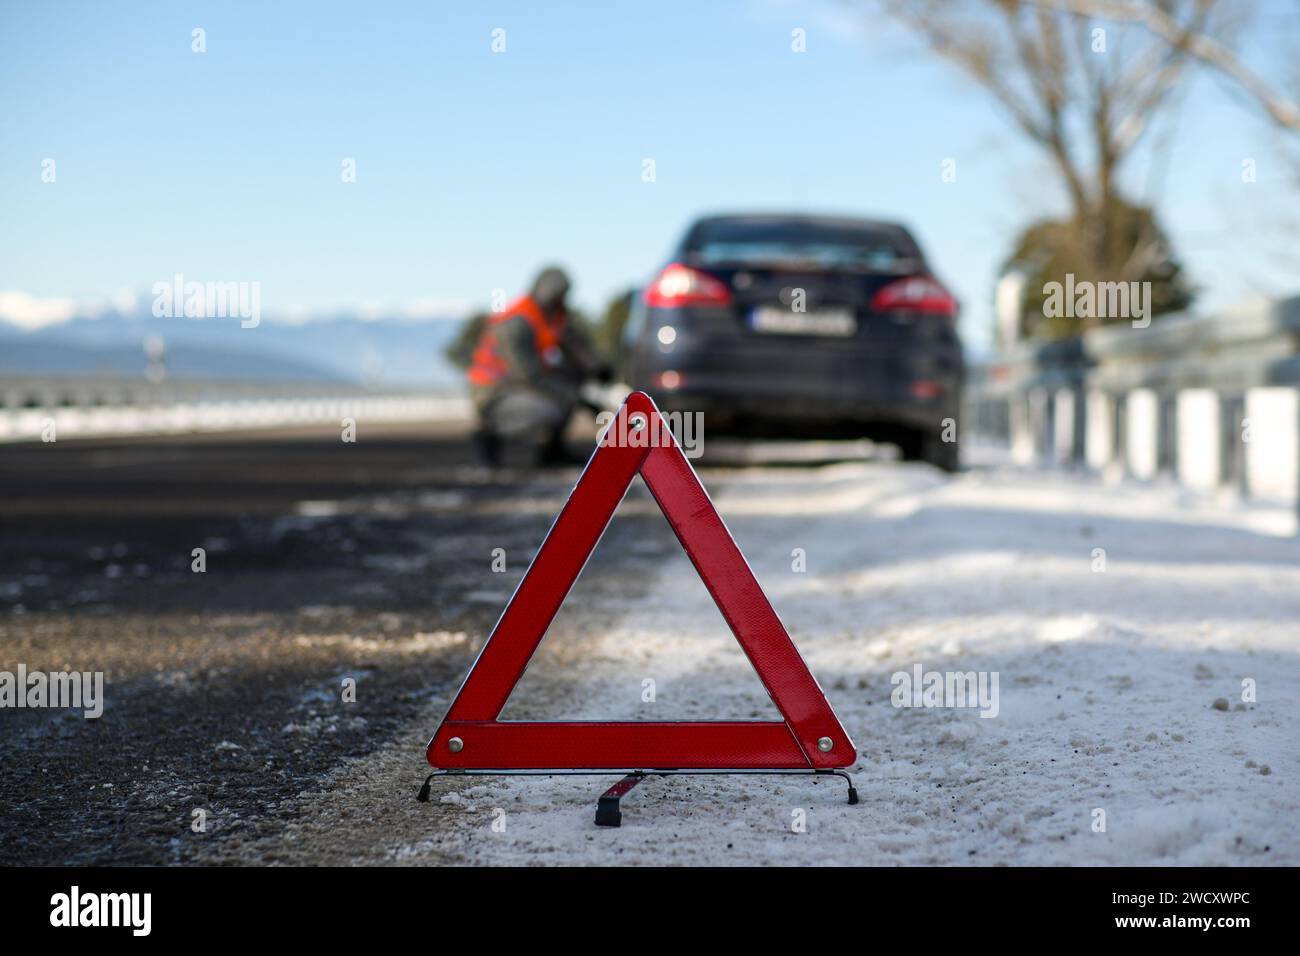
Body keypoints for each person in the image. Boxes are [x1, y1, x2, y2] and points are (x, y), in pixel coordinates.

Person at [466, 266, 610, 466]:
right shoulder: (517, 323)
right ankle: (489, 432)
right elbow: (529, 377)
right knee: (555, 407)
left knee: (568, 384)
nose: (563, 303)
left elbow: (574, 344)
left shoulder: (548, 317)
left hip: (519, 384)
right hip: (494, 393)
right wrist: (579, 399)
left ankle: (553, 452)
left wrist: (594, 368)